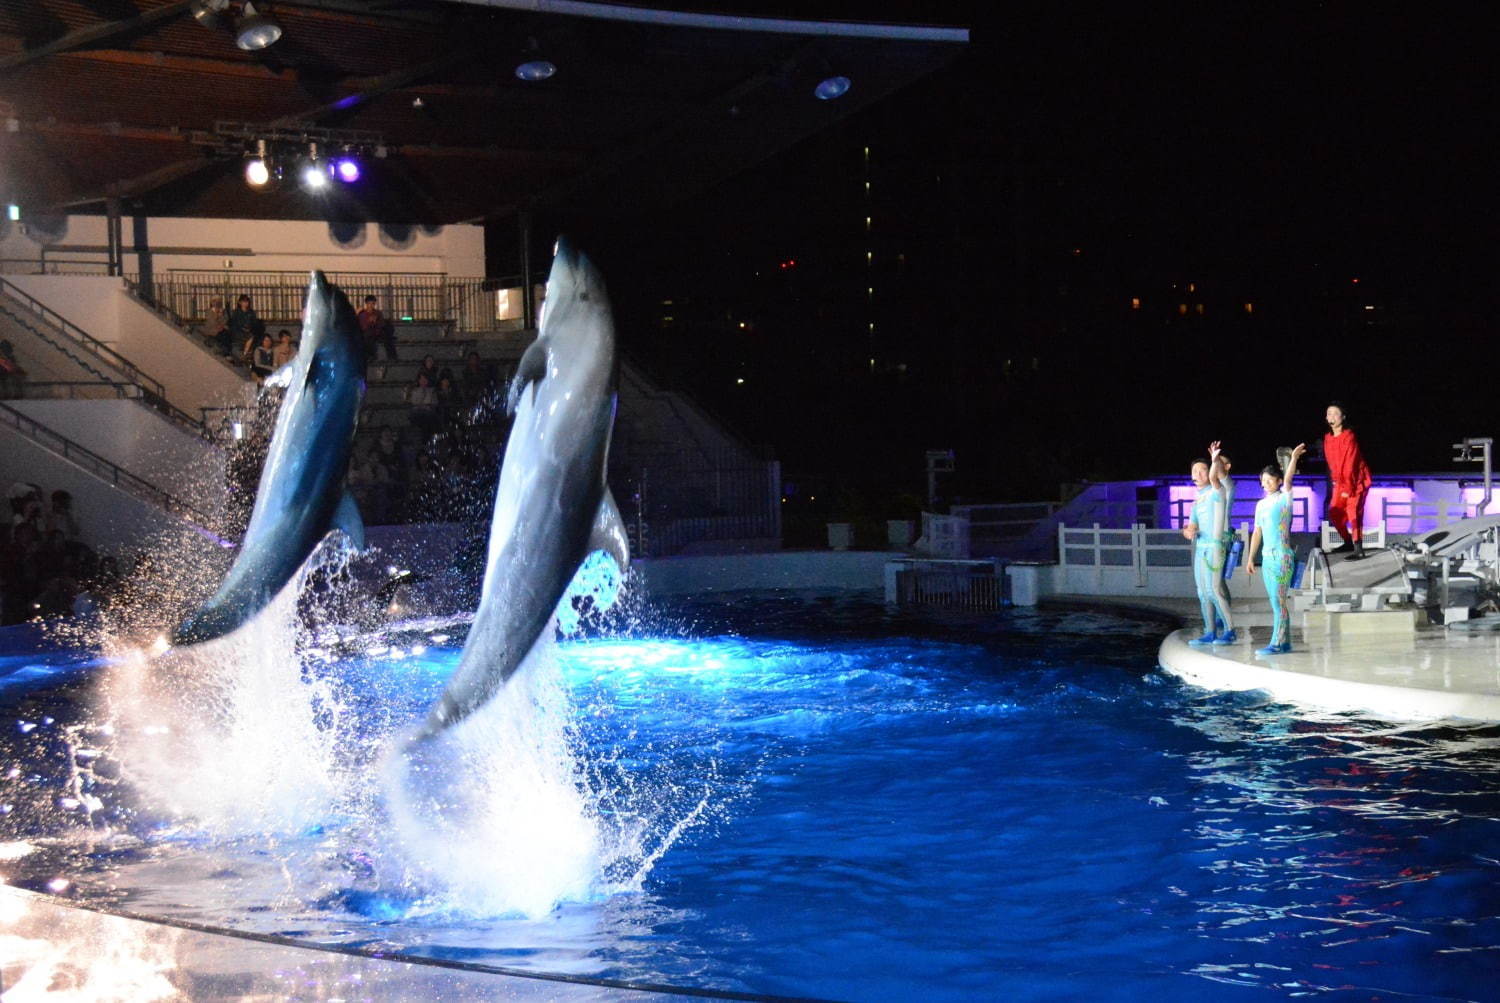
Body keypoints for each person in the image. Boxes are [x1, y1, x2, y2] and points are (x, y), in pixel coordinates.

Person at [1247, 443, 1306, 656]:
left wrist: (1294, 460)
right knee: (1275, 600)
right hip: (1267, 558)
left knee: (1278, 601)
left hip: (1282, 557)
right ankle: (1286, 641)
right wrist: (1250, 558)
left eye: (1269, 480)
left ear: (1278, 481)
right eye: (1263, 480)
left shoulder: (1284, 499)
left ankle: (1277, 643)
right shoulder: (1260, 505)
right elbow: (1257, 532)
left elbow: (1289, 480)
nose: (1265, 484)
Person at [1183, 441, 1236, 645]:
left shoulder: (1218, 491)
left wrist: (1214, 459)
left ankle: (1230, 630)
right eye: (1194, 471)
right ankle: (1210, 631)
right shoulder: (1196, 500)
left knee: (1214, 589)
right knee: (1202, 591)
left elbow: (1215, 478)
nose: (1197, 475)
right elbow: (1192, 525)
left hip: (1215, 546)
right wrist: (1189, 531)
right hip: (1201, 548)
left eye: (1202, 470)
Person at [1323, 402, 1371, 560]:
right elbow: (1331, 464)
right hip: (1340, 482)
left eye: (1335, 413)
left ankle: (1359, 548)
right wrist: (1336, 483)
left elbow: (1350, 463)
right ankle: (1348, 542)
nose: (1332, 417)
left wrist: (1347, 487)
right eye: (1329, 414)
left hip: (1355, 480)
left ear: (1343, 417)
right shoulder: (1328, 439)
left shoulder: (1349, 436)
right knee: (1334, 512)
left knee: (1353, 511)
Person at [357, 295, 398, 361]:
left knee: (387, 338)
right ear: (366, 304)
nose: (371, 306)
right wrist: (369, 322)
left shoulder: (377, 313)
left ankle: (392, 357)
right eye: (369, 304)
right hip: (367, 333)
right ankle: (371, 356)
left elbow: (381, 324)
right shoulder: (363, 314)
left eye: (372, 304)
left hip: (377, 332)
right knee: (368, 337)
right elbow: (362, 327)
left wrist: (376, 322)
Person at [229, 295, 263, 363]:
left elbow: (254, 322)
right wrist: (244, 329)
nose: (245, 303)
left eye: (247, 301)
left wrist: (250, 328)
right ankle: (244, 354)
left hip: (249, 331)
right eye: (243, 301)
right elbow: (236, 323)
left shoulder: (251, 312)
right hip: (239, 332)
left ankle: (245, 353)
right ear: (240, 302)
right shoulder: (236, 312)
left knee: (252, 337)